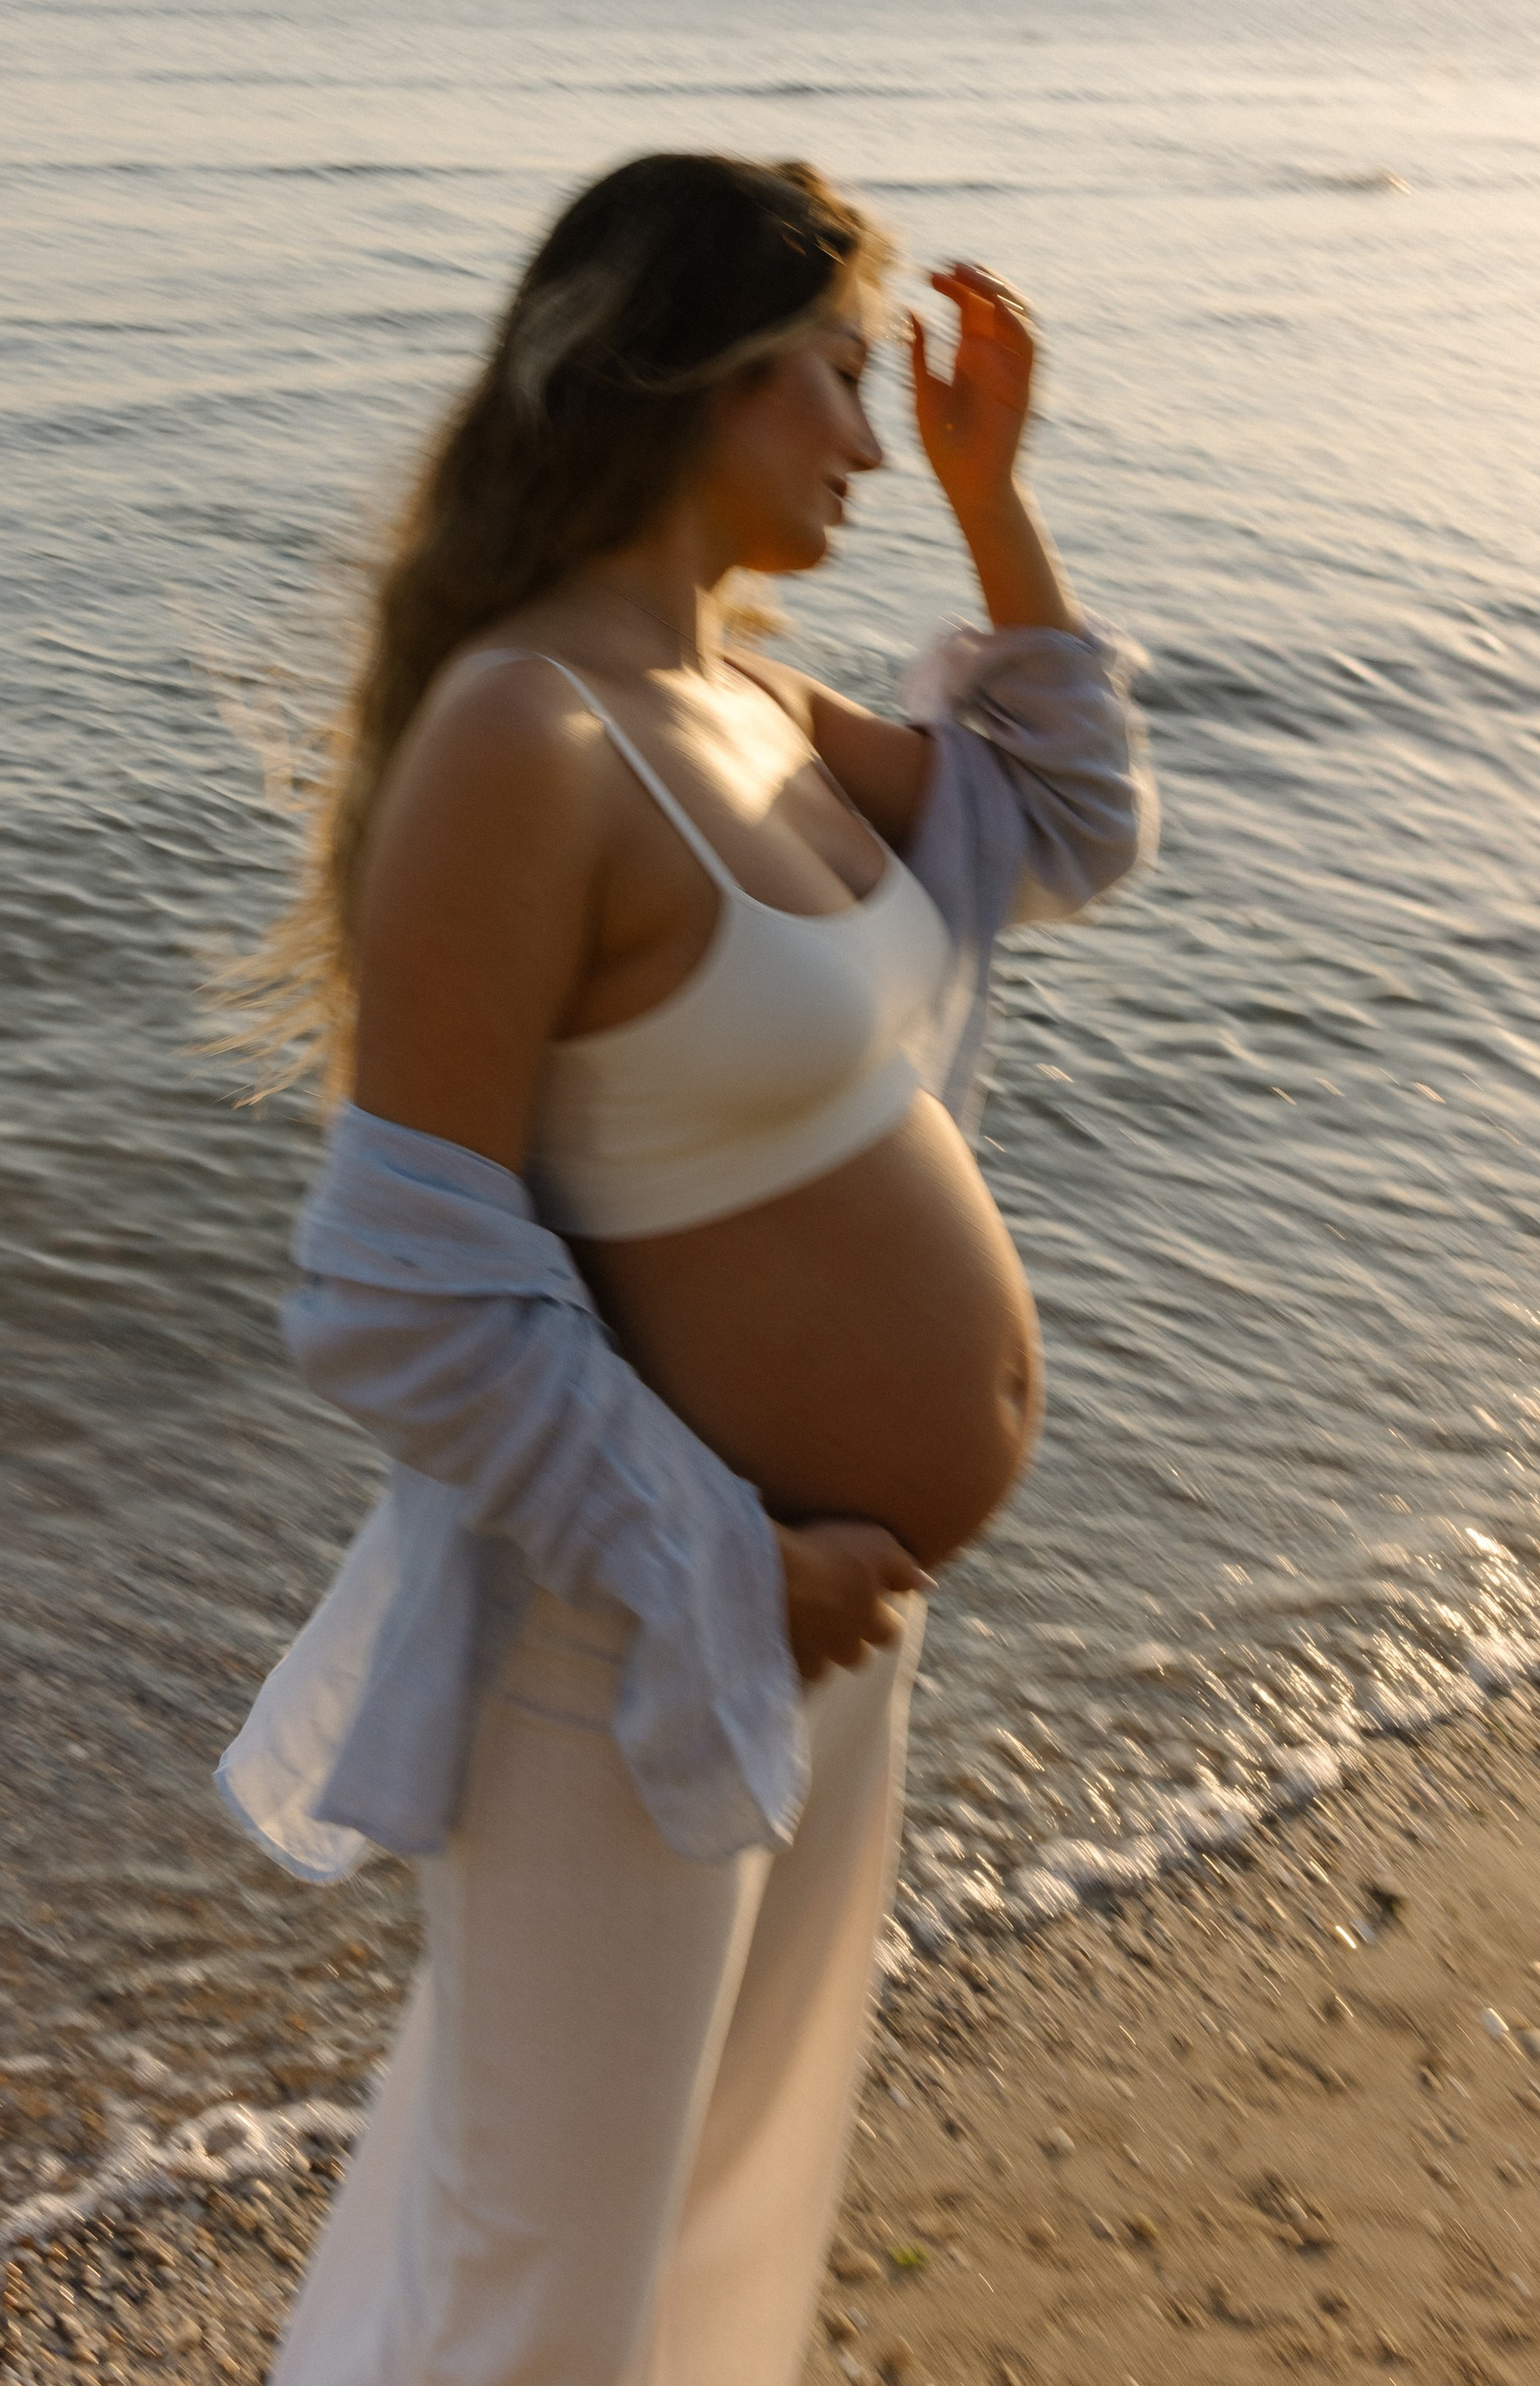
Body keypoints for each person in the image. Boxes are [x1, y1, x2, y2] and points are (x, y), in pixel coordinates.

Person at [218, 151, 1154, 2386]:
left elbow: (1069, 819)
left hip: (804, 1615)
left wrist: (988, 491)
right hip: (629, 1631)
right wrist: (725, 1564)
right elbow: (392, 1289)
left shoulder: (737, 694)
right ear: (683, 382)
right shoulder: (526, 737)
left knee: (712, 2209)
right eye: (835, 377)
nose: (865, 434)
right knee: (541, 2272)